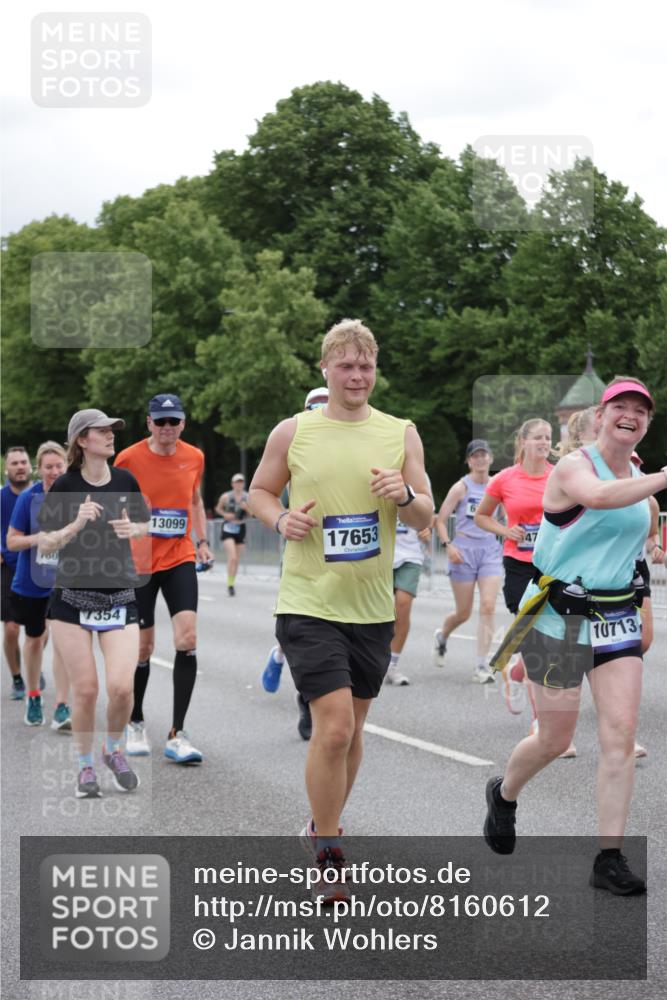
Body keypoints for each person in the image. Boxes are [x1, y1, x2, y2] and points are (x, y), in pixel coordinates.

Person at [249, 319, 432, 903]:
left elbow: (426, 514)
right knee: (332, 729)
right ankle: (328, 848)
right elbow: (259, 492)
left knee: (353, 733)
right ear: (324, 370)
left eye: (366, 366)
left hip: (371, 608)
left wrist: (403, 496)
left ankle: (318, 823)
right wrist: (281, 519)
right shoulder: (294, 431)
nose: (357, 375)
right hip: (308, 601)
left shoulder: (399, 433)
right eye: (346, 365)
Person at [483, 377, 666, 895]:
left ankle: (609, 858)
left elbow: (637, 534)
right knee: (554, 739)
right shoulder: (574, 467)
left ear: (646, 424)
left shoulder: (638, 473)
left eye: (641, 411)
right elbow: (600, 499)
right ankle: (505, 793)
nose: (630, 415)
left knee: (620, 739)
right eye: (620, 408)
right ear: (601, 417)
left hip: (615, 619)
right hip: (558, 619)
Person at [38, 409, 150, 798]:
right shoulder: (66, 486)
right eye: (102, 431)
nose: (110, 436)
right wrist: (77, 523)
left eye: (111, 431)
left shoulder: (125, 480)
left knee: (121, 688)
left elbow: (144, 522)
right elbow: (46, 542)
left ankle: (112, 750)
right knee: (85, 690)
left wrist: (132, 528)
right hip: (71, 600)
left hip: (119, 595)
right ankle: (85, 766)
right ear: (82, 441)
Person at [114, 394, 214, 763]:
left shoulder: (195, 457)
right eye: (161, 422)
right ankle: (136, 721)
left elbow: (194, 501)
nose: (168, 428)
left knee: (187, 638)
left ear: (183, 423)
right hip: (138, 562)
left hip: (179, 557)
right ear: (149, 423)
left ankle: (178, 733)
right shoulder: (129, 459)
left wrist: (201, 541)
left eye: (174, 422)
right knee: (143, 649)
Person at [474, 419, 554, 734]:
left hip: (553, 565)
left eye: (548, 438)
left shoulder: (559, 475)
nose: (544, 443)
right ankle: (539, 721)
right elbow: (481, 516)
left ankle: (514, 670)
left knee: (550, 638)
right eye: (538, 437)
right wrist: (506, 530)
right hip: (519, 564)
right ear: (522, 441)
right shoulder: (505, 479)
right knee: (537, 639)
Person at [262, 387, 331, 741]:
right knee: (301, 628)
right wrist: (283, 518)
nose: (319, 412)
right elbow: (264, 494)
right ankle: (304, 696)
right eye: (312, 407)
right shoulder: (293, 444)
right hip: (301, 552)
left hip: (341, 562)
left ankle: (281, 656)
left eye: (324, 405)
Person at [6, 442, 71, 728]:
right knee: (34, 639)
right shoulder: (28, 498)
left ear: (67, 466)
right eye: (48, 467)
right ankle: (33, 695)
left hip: (66, 580)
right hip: (32, 581)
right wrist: (38, 540)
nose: (54, 471)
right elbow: (11, 540)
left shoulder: (77, 496)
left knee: (63, 642)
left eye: (59, 466)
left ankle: (62, 705)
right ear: (39, 469)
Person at [432, 440, 503, 684]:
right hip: (462, 551)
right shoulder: (461, 487)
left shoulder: (497, 486)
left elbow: (507, 515)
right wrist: (448, 546)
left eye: (484, 455)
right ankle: (443, 635)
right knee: (463, 612)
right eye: (475, 456)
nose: (481, 460)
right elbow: (440, 520)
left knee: (488, 606)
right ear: (469, 461)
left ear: (491, 459)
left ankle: (481, 665)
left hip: (489, 551)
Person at [386, 513, 433, 687]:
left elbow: (429, 516)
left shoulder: (420, 483)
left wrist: (427, 530)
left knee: (403, 606)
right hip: (379, 554)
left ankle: (392, 664)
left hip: (410, 555)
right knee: (376, 611)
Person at [1, 446, 32, 698]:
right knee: (11, 628)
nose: (20, 466)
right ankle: (17, 677)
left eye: (24, 462)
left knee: (40, 629)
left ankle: (34, 661)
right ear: (6, 469)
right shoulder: (1, 498)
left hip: (37, 566)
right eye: (15, 463)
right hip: (7, 567)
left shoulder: (40, 495)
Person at [215, 474, 250, 596]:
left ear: (244, 484)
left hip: (241, 527)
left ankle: (232, 582)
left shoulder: (248, 497)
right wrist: (225, 514)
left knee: (237, 560)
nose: (239, 484)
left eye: (241, 482)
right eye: (237, 482)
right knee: (233, 557)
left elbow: (252, 514)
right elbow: (218, 509)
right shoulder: (226, 496)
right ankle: (230, 585)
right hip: (228, 527)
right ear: (232, 484)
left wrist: (247, 509)